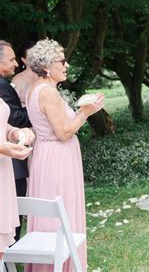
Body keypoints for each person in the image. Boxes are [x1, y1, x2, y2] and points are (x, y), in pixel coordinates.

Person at [25, 39, 104, 272]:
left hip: (47, 156)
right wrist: (85, 112)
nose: (66, 65)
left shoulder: (36, 89)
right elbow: (63, 132)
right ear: (47, 66)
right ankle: (60, 265)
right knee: (60, 209)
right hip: (57, 159)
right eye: (62, 61)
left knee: (53, 207)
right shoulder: (47, 92)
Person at [0, 40, 33, 243]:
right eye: (11, 59)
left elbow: (6, 121)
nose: (16, 64)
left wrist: (15, 133)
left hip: (5, 166)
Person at [12, 41, 38, 106]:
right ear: (24, 60)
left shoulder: (46, 74)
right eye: (31, 56)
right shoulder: (17, 79)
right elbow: (12, 103)